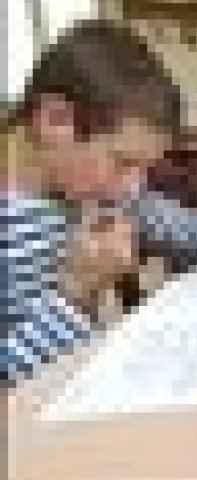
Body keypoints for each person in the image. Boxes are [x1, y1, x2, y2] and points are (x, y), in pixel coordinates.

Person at [2, 19, 182, 384]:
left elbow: (166, 218)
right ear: (55, 120)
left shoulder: (82, 189)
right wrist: (75, 292)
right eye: (123, 163)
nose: (133, 187)